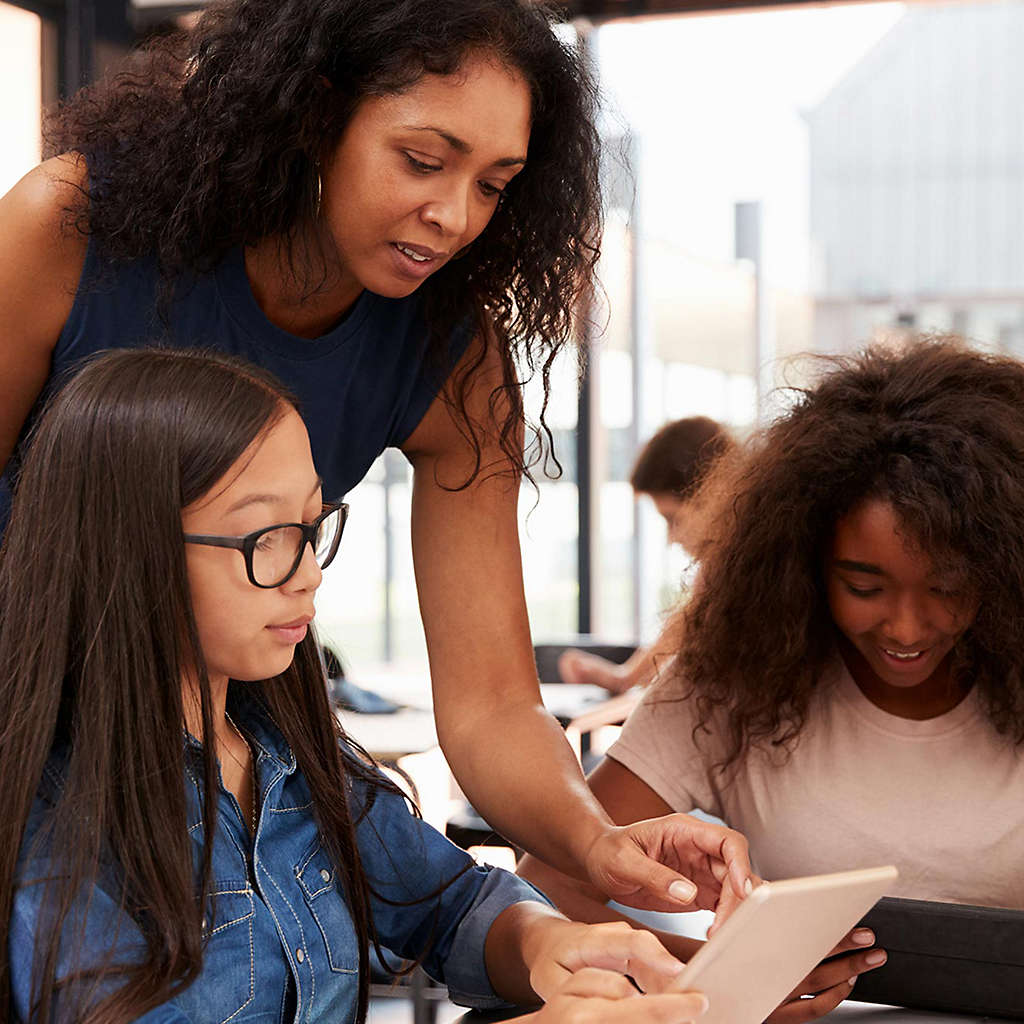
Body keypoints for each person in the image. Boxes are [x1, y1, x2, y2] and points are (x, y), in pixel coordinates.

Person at [0, 0, 744, 915]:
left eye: (494, 184)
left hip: (208, 762)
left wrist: (595, 844)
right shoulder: (68, 226)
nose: (454, 216)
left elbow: (491, 707)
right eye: (423, 161)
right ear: (316, 116)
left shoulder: (452, 356)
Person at [1, 348, 730, 1024]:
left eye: (312, 525)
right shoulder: (56, 822)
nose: (311, 572)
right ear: (131, 551)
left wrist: (547, 946)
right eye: (267, 537)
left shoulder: (299, 765)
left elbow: (454, 902)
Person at [520, 338, 1024, 1020]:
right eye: (863, 585)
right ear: (805, 564)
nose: (907, 629)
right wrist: (708, 974)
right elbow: (544, 889)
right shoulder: (731, 683)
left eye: (949, 586)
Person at [558, 417, 732, 693]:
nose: (671, 539)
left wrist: (623, 678)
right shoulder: (722, 572)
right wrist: (623, 677)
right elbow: (687, 619)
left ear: (714, 496)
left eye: (673, 519)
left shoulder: (736, 568)